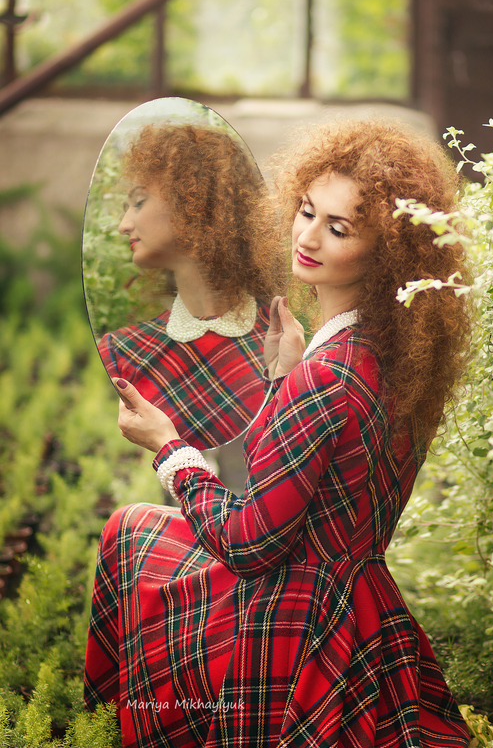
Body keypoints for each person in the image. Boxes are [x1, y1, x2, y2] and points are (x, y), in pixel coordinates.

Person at [84, 119, 471, 747]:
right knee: (137, 528)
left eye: (338, 228)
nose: (307, 236)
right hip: (359, 605)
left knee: (131, 537)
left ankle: (111, 722)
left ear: (388, 253)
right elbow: (302, 480)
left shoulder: (329, 375)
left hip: (291, 624)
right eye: (307, 210)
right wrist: (282, 378)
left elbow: (246, 543)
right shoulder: (392, 354)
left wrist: (170, 448)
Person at [96, 123, 286, 449]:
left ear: (193, 202)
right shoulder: (123, 352)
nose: (123, 225)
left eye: (138, 202)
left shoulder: (285, 340)